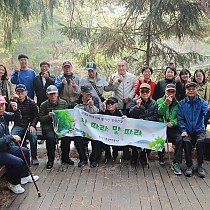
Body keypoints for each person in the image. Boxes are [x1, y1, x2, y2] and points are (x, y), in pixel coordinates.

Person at [0, 96, 39, 194]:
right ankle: (13, 183)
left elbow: (17, 117)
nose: (1, 107)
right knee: (18, 162)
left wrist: (16, 110)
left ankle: (24, 176)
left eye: (2, 105)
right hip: (1, 151)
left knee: (25, 151)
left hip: (6, 147)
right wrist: (11, 137)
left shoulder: (3, 115)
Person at [38, 85, 83, 169]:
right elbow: (40, 119)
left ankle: (65, 157)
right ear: (47, 95)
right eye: (50, 94)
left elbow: (66, 116)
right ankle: (50, 159)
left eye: (54, 94)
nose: (53, 96)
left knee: (67, 137)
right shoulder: (43, 105)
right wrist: (48, 116)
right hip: (49, 127)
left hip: (61, 126)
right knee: (50, 137)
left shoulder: (63, 103)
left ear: (57, 94)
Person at [177, 82, 208, 178]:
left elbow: (205, 115)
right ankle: (189, 165)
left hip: (199, 129)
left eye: (193, 89)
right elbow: (180, 119)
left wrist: (208, 110)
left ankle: (200, 165)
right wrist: (183, 130)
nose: (191, 91)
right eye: (189, 89)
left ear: (196, 90)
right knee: (186, 141)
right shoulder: (182, 104)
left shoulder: (202, 102)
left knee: (201, 141)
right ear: (186, 91)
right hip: (187, 129)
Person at [110, 59, 137, 160]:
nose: (121, 68)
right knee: (116, 131)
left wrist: (129, 97)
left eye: (123, 66)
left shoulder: (132, 77)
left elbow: (135, 89)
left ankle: (127, 150)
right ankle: (115, 150)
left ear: (126, 67)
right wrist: (118, 81)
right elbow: (112, 88)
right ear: (116, 67)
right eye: (119, 66)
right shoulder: (113, 76)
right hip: (117, 107)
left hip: (129, 106)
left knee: (127, 131)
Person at [9, 84, 39, 165]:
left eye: (22, 92)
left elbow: (36, 116)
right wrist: (13, 103)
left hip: (29, 125)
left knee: (33, 136)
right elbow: (9, 112)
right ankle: (17, 155)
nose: (20, 94)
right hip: (18, 125)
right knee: (12, 136)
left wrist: (33, 125)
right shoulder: (13, 102)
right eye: (18, 92)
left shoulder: (31, 102)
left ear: (26, 92)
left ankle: (34, 156)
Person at [157, 83, 183, 175]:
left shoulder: (178, 103)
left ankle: (176, 163)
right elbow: (159, 112)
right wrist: (166, 103)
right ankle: (161, 156)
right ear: (165, 91)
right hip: (162, 127)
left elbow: (180, 117)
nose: (170, 93)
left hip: (173, 127)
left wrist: (173, 122)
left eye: (172, 91)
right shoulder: (160, 101)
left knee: (179, 139)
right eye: (169, 91)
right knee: (159, 138)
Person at [129, 83, 158, 165]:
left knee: (150, 140)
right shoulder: (134, 101)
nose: (144, 93)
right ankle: (134, 154)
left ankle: (144, 156)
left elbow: (155, 116)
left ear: (150, 92)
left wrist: (144, 120)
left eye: (146, 91)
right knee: (131, 137)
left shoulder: (154, 103)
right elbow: (130, 114)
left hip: (149, 127)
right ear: (139, 92)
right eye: (142, 91)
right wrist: (137, 107)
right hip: (136, 127)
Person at [74, 85, 100, 167]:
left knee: (96, 137)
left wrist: (91, 106)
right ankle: (83, 158)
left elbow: (97, 114)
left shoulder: (95, 100)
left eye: (90, 94)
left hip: (92, 127)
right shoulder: (77, 101)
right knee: (77, 137)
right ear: (81, 92)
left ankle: (93, 159)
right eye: (86, 94)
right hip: (81, 127)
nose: (89, 95)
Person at [100, 97, 126, 162]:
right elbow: (98, 120)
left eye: (112, 103)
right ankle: (107, 152)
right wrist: (102, 112)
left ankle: (115, 151)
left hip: (116, 134)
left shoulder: (120, 113)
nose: (110, 105)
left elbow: (125, 123)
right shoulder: (104, 112)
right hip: (106, 134)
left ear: (116, 105)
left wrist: (125, 118)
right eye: (108, 103)